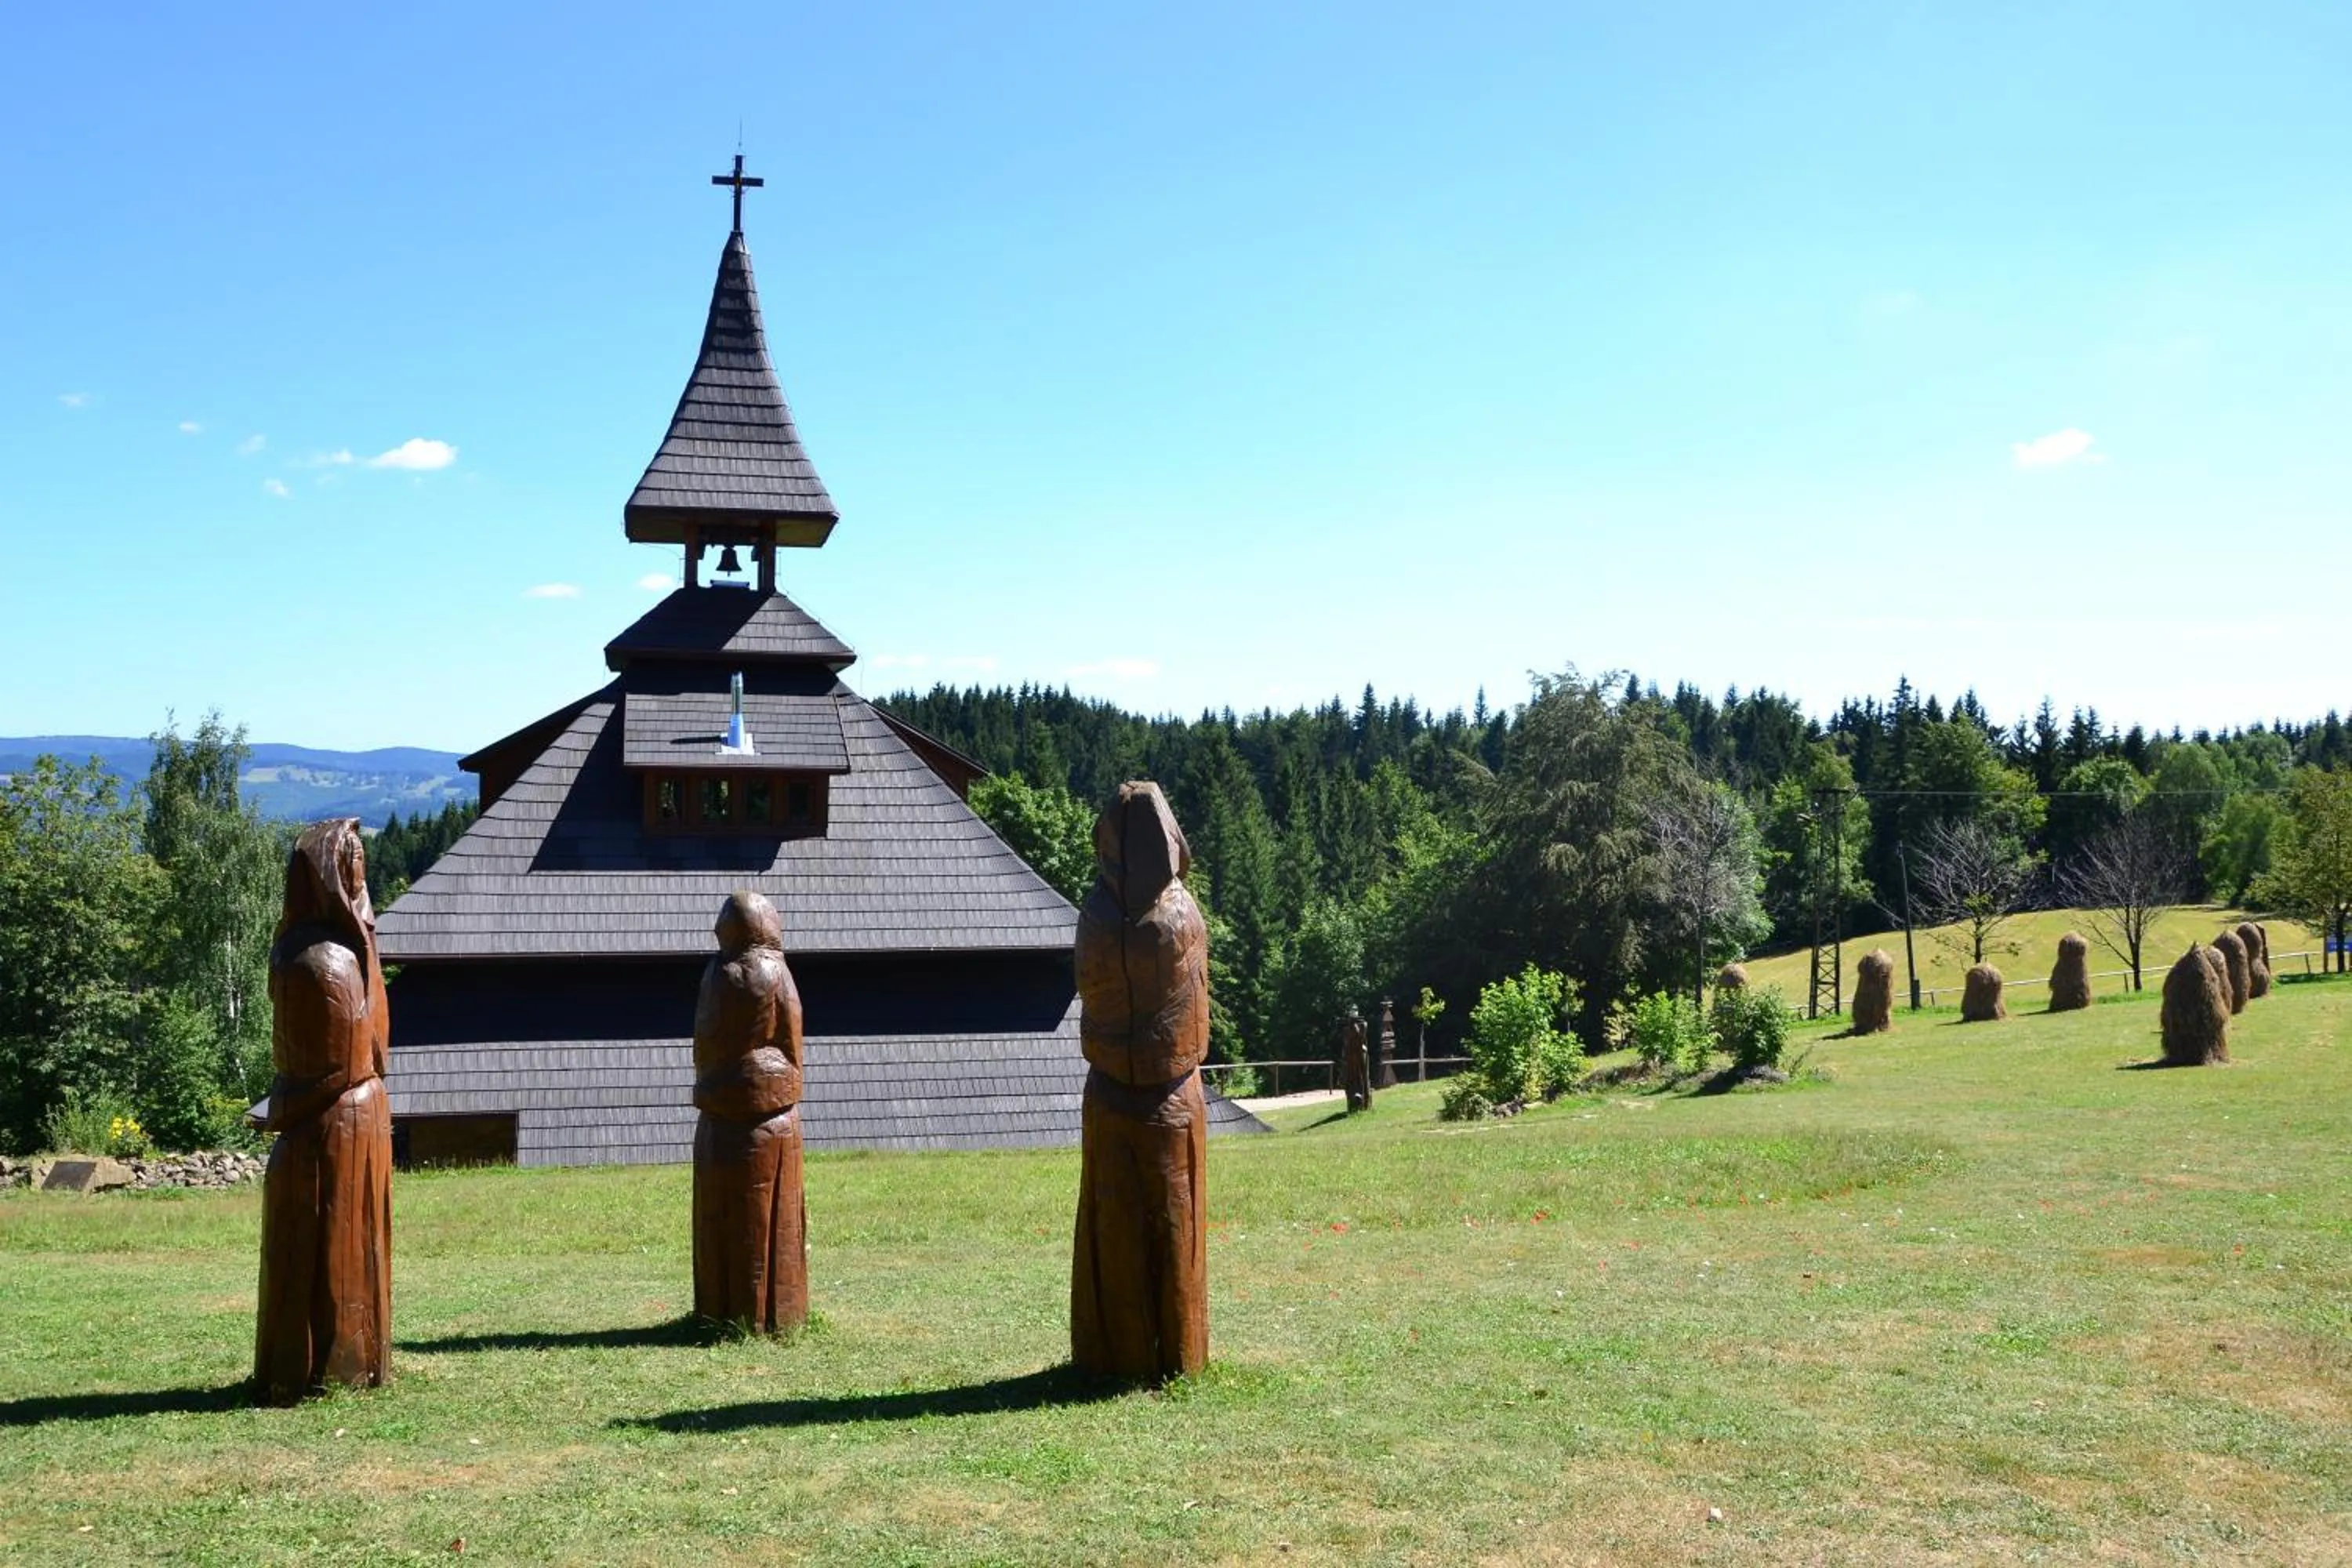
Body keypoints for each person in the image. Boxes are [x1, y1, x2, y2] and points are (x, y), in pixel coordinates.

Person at [1071, 782, 1210, 1380]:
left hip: (1133, 1090)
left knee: (1133, 1229)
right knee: (1139, 1228)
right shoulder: (1177, 917)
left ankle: (1133, 1353)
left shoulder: (1100, 917)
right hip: (1157, 1091)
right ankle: (1150, 1354)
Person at [256, 818, 392, 1404]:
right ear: (327, 875)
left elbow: (370, 1045)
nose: (361, 870)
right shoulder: (319, 962)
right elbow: (337, 1063)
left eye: (362, 857)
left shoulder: (344, 951)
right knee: (332, 1241)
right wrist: (286, 1105)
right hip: (335, 1123)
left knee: (353, 1240)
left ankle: (350, 1357)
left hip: (352, 1115)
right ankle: (332, 1361)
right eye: (351, 860)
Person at [691, 890, 807, 1334]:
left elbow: (702, 1050)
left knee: (728, 1223)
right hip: (766, 1111)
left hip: (726, 1112)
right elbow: (792, 1049)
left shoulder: (715, 975)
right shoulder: (778, 974)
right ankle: (757, 1314)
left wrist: (716, 1086)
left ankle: (730, 1312)